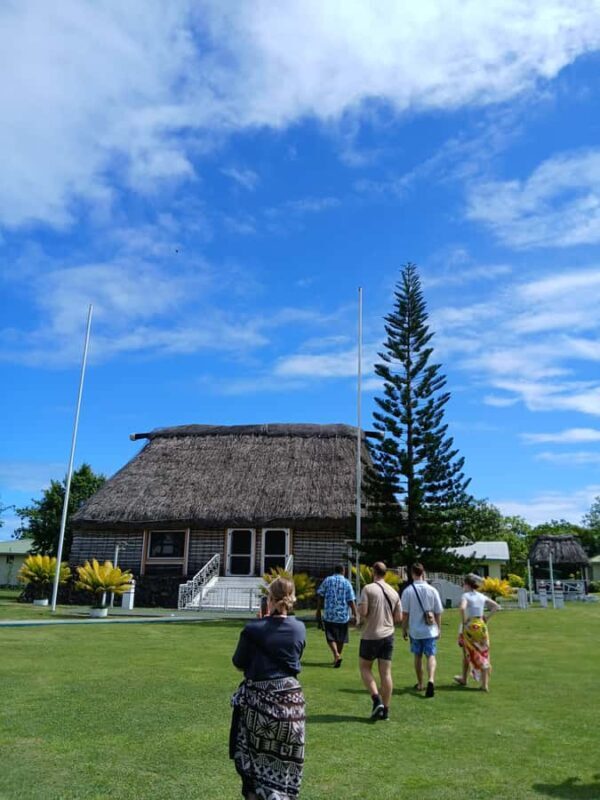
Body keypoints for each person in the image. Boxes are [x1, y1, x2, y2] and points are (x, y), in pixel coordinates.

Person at [230, 577, 306, 800]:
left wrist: (260, 625)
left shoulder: (253, 630)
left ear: (269, 599)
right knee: (286, 765)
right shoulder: (299, 628)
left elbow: (239, 663)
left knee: (252, 765)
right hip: (292, 705)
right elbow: (294, 658)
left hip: (260, 707)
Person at [357, 561, 402, 721]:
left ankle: (376, 699)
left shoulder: (368, 589)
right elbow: (399, 618)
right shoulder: (394, 592)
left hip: (371, 634)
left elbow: (363, 612)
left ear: (372, 572)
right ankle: (386, 710)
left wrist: (359, 611)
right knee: (386, 673)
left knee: (365, 668)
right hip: (388, 635)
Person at [401, 562, 443, 698]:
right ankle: (431, 679)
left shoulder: (408, 591)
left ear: (412, 574)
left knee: (417, 656)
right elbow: (438, 612)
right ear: (423, 573)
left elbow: (405, 613)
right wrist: (439, 628)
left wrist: (404, 629)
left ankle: (420, 683)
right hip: (430, 629)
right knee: (431, 655)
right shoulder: (432, 590)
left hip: (415, 630)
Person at [454, 573, 501, 692]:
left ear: (466, 585)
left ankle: (465, 678)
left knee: (469, 651)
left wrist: (465, 621)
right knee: (482, 651)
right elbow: (496, 606)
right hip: (481, 625)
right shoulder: (481, 596)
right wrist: (486, 618)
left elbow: (462, 608)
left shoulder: (465, 596)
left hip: (470, 626)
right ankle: (483, 684)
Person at [316, 564, 358, 667]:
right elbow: (351, 600)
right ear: (343, 571)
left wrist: (318, 610)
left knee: (330, 637)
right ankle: (337, 655)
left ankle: (336, 655)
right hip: (342, 615)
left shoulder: (327, 580)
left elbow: (320, 595)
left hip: (329, 614)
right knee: (341, 638)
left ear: (334, 571)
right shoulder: (347, 583)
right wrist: (355, 614)